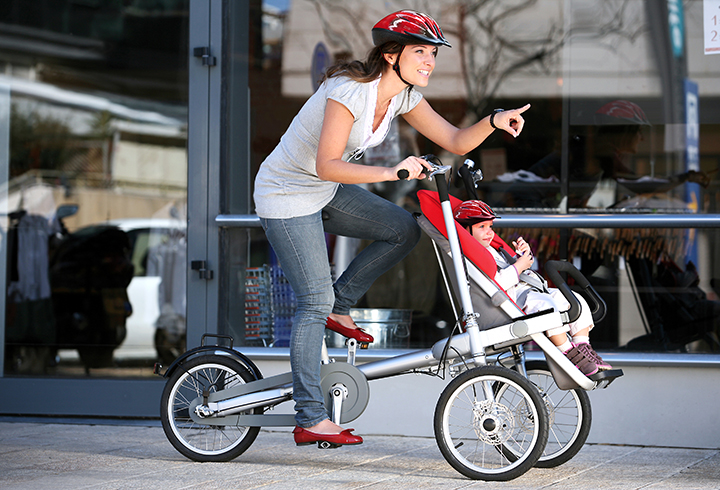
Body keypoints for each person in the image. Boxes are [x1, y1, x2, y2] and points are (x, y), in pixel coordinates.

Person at [253, 9, 531, 448]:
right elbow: (327, 164)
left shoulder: (401, 96)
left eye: (433, 54)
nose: (429, 62)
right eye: (420, 52)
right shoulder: (349, 92)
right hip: (286, 195)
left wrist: (493, 121)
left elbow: (455, 140)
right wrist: (395, 172)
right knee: (312, 300)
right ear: (390, 54)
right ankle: (310, 416)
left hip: (324, 190)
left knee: (403, 229)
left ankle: (339, 303)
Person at [453, 199, 612, 375]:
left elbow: (515, 270)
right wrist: (519, 266)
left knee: (575, 299)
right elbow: (494, 285)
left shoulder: (491, 249)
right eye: (481, 227)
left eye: (490, 227)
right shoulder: (470, 257)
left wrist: (521, 256)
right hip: (509, 303)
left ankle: (583, 347)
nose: (489, 233)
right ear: (465, 230)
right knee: (547, 307)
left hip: (527, 290)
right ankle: (568, 352)